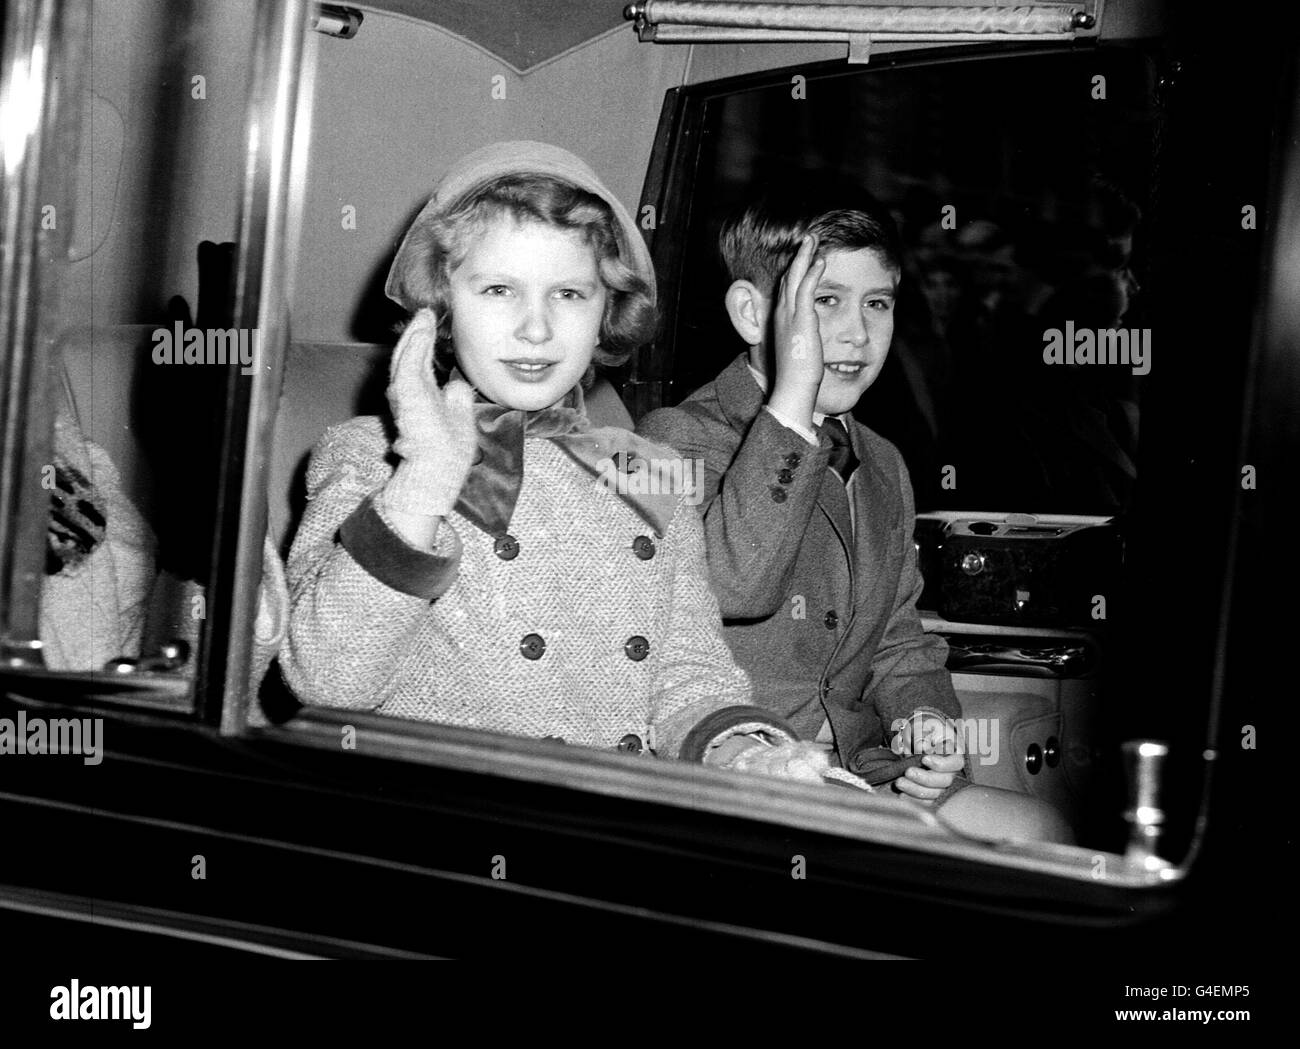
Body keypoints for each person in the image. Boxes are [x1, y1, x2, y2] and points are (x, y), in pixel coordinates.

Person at [279, 141, 826, 772]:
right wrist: (422, 487)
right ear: (442, 306)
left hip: (611, 822)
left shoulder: (647, 469)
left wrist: (751, 756)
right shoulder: (368, 458)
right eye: (498, 290)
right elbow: (326, 682)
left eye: (569, 294)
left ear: (606, 313)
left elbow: (691, 677)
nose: (536, 328)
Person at [638, 188, 1073, 841]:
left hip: (861, 766)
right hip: (743, 772)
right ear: (753, 314)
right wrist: (793, 410)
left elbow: (899, 640)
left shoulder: (882, 462)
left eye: (877, 304)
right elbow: (733, 583)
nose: (856, 332)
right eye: (825, 300)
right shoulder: (678, 438)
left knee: (1040, 830)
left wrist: (925, 722)